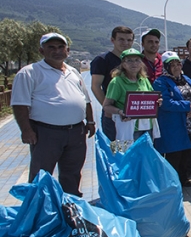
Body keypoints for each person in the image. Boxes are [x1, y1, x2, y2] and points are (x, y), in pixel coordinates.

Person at [11, 33, 95, 197]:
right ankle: (39, 212)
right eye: (51, 47)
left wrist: (90, 122)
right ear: (41, 51)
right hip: (46, 132)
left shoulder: (73, 72)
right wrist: (26, 130)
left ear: (67, 50)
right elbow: (20, 104)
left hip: (76, 132)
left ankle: (70, 211)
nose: (57, 51)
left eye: (60, 47)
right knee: (41, 175)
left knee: (72, 174)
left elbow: (85, 100)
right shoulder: (29, 72)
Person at [153, 53, 191, 187]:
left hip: (190, 122)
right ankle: (173, 183)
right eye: (171, 65)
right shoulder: (160, 82)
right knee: (174, 155)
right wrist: (188, 107)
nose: (176, 67)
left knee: (188, 152)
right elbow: (166, 103)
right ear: (166, 67)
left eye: (178, 64)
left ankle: (184, 178)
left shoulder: (186, 79)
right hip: (173, 124)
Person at [103, 48, 159, 141]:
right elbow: (106, 106)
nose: (134, 63)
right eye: (129, 61)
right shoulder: (117, 82)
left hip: (147, 127)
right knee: (130, 154)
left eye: (137, 60)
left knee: (145, 155)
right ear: (123, 64)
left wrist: (158, 101)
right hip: (129, 129)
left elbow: (152, 98)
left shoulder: (144, 80)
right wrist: (120, 111)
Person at [91, 26, 133, 141]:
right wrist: (108, 109)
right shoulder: (102, 60)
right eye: (121, 39)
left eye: (129, 40)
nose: (125, 43)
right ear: (112, 40)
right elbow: (95, 86)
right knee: (115, 151)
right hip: (113, 117)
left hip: (132, 116)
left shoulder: (134, 61)